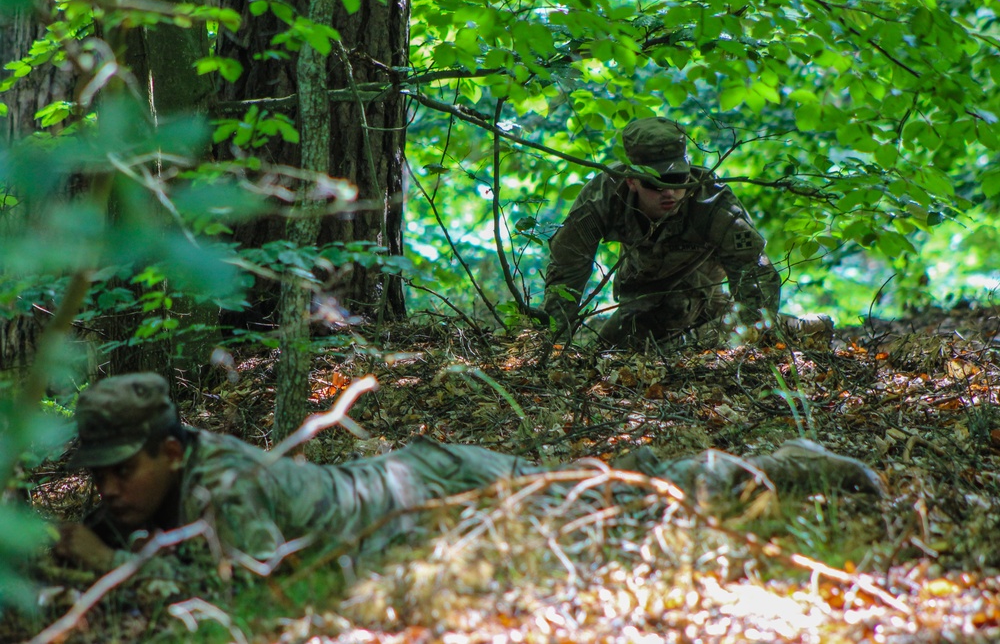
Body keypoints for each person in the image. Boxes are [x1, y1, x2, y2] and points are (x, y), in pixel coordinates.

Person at [54, 373, 882, 577]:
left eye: (120, 471)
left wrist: (112, 567)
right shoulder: (178, 480)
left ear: (168, 450)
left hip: (437, 494)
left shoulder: (220, 485)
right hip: (414, 489)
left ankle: (761, 468)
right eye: (97, 479)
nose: (109, 490)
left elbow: (245, 597)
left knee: (614, 509)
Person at [542, 117, 829, 347]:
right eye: (656, 184)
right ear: (631, 181)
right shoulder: (602, 198)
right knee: (605, 350)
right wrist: (555, 342)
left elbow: (755, 276)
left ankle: (804, 327)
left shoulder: (714, 205)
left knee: (695, 344)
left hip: (702, 290)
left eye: (678, 179)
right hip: (642, 297)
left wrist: (748, 347)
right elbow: (567, 269)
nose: (670, 192)